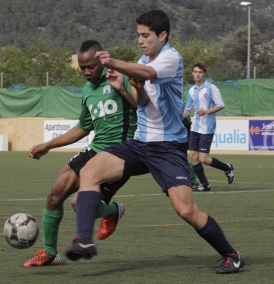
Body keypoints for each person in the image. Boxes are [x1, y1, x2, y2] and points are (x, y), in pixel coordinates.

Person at [65, 10, 244, 274]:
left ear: (163, 35)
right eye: (138, 35)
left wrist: (112, 62)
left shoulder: (171, 58)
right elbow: (143, 102)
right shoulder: (143, 59)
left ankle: (232, 254)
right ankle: (83, 240)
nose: (140, 40)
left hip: (168, 147)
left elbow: (148, 72)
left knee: (186, 211)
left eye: (146, 35)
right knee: (89, 172)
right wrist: (126, 88)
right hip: (140, 144)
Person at [24, 40, 147, 268]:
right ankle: (50, 253)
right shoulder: (88, 90)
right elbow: (83, 127)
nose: (87, 72)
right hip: (94, 149)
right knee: (54, 195)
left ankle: (112, 210)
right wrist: (48, 145)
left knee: (78, 203)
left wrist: (123, 86)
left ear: (101, 60)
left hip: (119, 155)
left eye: (91, 66)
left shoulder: (119, 77)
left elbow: (143, 103)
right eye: (82, 68)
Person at [184, 61, 234, 192]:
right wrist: (178, 118)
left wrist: (206, 111)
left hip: (207, 128)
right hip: (195, 128)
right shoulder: (191, 90)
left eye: (200, 72)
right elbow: (188, 109)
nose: (197, 74)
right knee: (193, 156)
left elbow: (221, 105)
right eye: (195, 72)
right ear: (192, 73)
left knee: (204, 158)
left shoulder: (211, 88)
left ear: (204, 74)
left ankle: (227, 167)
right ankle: (205, 184)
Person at [183, 115, 199, 189]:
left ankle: (193, 181)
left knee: (189, 156)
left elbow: (185, 115)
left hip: (183, 126)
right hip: (179, 127)